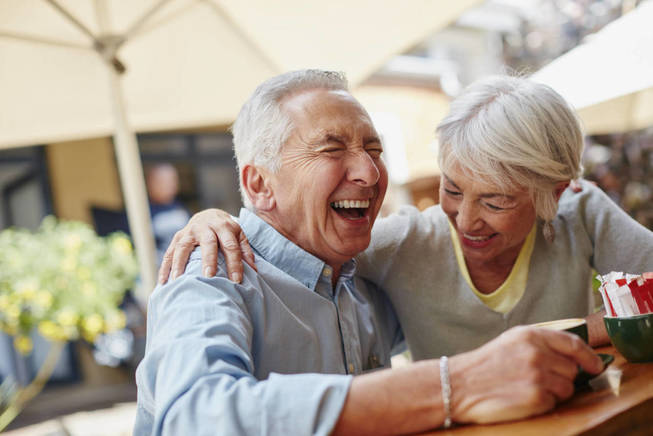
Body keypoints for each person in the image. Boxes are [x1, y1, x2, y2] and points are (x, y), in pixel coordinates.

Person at [135, 70, 603, 435]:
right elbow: (193, 420)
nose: (368, 171)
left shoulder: (363, 281)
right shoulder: (211, 270)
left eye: (374, 148)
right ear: (259, 184)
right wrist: (452, 388)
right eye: (332, 148)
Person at [159, 75, 653, 359]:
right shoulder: (401, 244)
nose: (467, 220)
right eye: (453, 190)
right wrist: (217, 219)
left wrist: (575, 334)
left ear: (556, 192)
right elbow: (302, 242)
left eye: (497, 201)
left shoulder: (581, 211)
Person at [145, 163, 190, 265]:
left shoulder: (181, 208)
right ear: (150, 183)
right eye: (161, 181)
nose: (168, 185)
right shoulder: (142, 211)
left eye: (172, 181)